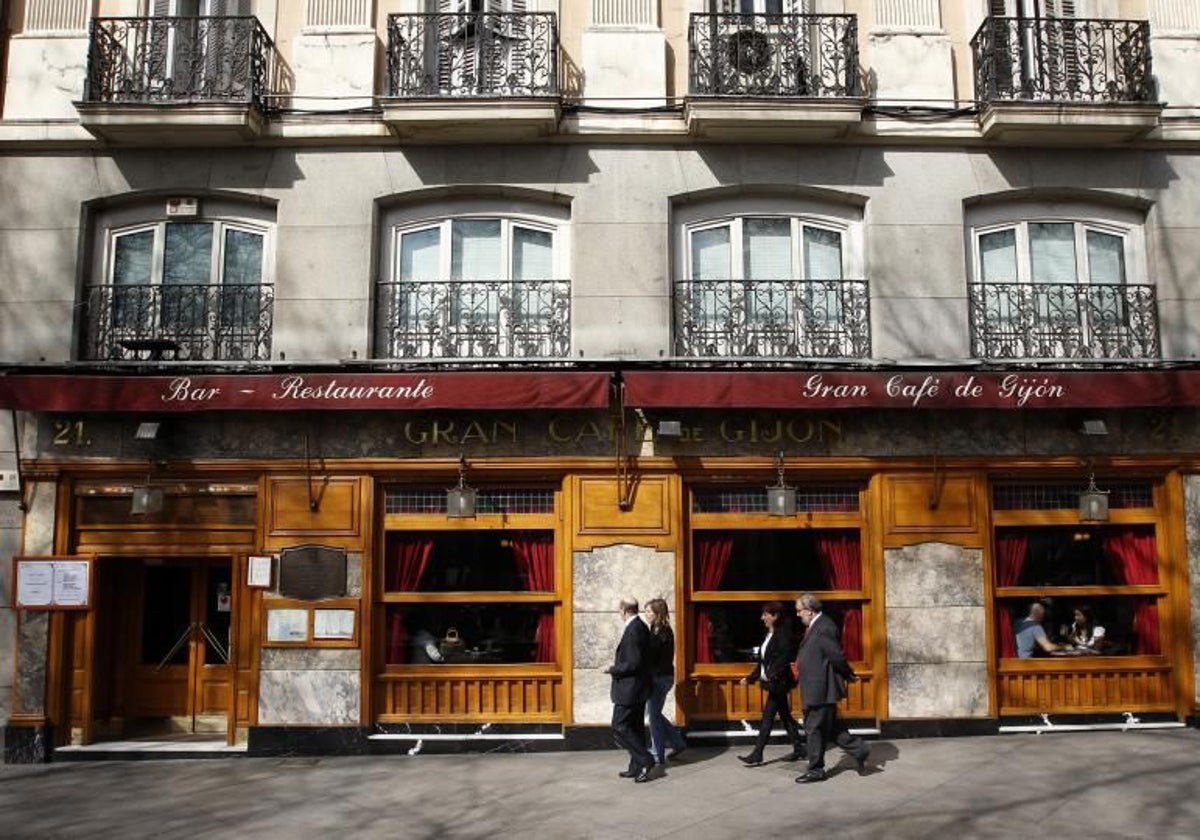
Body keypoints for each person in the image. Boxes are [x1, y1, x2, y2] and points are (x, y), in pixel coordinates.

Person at [794, 593, 870, 783]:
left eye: (799, 611)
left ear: (810, 611)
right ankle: (860, 750)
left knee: (813, 728)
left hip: (821, 687)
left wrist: (847, 673)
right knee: (832, 728)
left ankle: (816, 770)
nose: (797, 615)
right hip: (816, 686)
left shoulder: (824, 627)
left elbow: (836, 655)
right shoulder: (816, 626)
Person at [737, 601, 804, 766]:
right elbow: (762, 662)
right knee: (786, 716)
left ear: (775, 616)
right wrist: (750, 678)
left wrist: (771, 673)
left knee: (767, 717)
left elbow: (784, 658)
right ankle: (799, 748)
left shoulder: (783, 634)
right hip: (773, 681)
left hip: (779, 682)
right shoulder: (769, 634)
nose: (762, 618)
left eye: (766, 614)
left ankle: (757, 753)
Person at [606, 597, 656, 783]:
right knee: (634, 728)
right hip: (638, 688)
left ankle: (645, 760)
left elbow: (633, 663)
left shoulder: (633, 630)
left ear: (623, 610)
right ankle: (636, 767)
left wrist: (612, 669)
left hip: (630, 689)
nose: (619, 613)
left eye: (619, 610)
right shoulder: (640, 626)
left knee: (619, 726)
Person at [645, 598, 688, 767]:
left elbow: (652, 657)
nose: (646, 614)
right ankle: (678, 743)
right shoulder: (655, 629)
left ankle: (657, 754)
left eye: (649, 611)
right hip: (660, 677)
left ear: (658, 613)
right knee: (654, 714)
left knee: (653, 716)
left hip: (660, 679)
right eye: (646, 611)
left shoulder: (662, 632)